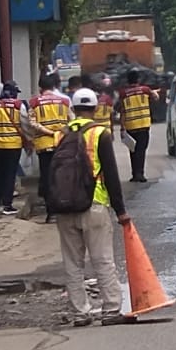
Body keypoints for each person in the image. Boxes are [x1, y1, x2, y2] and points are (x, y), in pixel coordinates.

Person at [55, 88, 132, 327]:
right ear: (96, 108)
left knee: (72, 263)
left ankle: (80, 312)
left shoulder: (61, 134)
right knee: (103, 260)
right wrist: (120, 210)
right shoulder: (100, 133)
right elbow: (111, 175)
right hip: (94, 204)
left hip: (64, 207)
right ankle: (111, 310)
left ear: (73, 109)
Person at [28, 74, 74, 224]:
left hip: (44, 146)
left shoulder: (34, 102)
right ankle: (63, 208)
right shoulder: (65, 101)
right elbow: (72, 121)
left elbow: (32, 123)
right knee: (62, 177)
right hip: (62, 144)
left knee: (47, 178)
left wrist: (48, 132)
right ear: (54, 86)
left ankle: (51, 213)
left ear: (40, 87)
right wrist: (60, 133)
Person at [0, 83, 27, 215]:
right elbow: (25, 124)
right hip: (13, 144)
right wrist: (29, 140)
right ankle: (7, 204)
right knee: (10, 174)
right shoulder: (19, 105)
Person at [117, 70, 156, 183]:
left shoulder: (123, 94)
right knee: (141, 150)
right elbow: (155, 98)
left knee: (133, 150)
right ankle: (140, 174)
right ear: (138, 79)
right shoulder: (145, 90)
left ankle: (135, 174)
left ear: (128, 81)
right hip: (144, 124)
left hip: (130, 126)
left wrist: (122, 127)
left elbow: (122, 111)